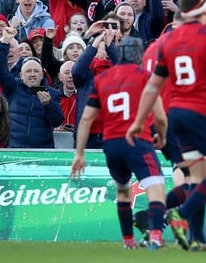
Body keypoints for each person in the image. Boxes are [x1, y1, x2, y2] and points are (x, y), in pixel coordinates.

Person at [129, 0, 206, 252]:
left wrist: (139, 122)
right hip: (204, 113)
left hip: (176, 116)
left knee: (197, 178)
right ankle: (176, 215)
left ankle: (196, 238)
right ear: (203, 7)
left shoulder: (167, 41)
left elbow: (152, 86)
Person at [70, 37, 169, 250]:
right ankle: (155, 237)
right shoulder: (145, 77)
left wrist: (79, 154)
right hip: (137, 141)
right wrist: (162, 137)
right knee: (156, 188)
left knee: (123, 191)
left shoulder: (102, 79)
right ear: (139, 55)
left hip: (111, 144)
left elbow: (86, 119)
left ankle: (128, 242)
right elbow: (160, 116)